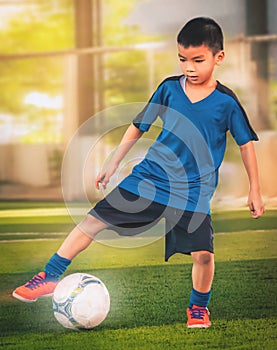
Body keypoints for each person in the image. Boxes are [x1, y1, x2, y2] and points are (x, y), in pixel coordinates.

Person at [12, 17, 264, 328]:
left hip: (193, 190)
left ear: (218, 57)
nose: (189, 67)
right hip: (150, 177)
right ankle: (48, 276)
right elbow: (137, 126)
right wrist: (113, 162)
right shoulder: (169, 89)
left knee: (203, 255)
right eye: (183, 59)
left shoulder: (226, 103)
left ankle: (198, 308)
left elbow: (245, 145)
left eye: (198, 60)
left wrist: (255, 189)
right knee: (92, 221)